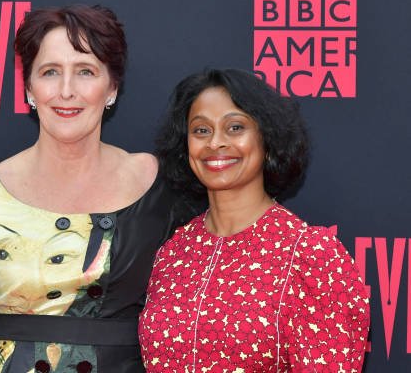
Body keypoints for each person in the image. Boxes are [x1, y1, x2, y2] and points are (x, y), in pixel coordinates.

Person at [0, 5, 201, 373]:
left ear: (112, 87)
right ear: (29, 88)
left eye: (85, 72)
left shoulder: (163, 190)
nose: (66, 91)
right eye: (50, 72)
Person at [138, 68, 370, 372]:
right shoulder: (174, 252)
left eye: (235, 127)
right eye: (201, 130)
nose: (215, 143)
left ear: (266, 139)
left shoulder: (312, 256)